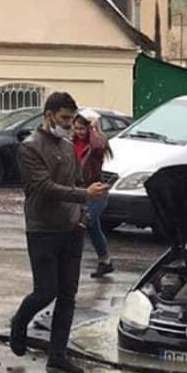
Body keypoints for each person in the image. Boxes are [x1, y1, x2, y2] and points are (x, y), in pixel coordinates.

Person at [9, 92, 108, 373]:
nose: (67, 125)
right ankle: (20, 322)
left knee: (68, 293)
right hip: (43, 228)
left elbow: (77, 180)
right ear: (49, 114)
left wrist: (83, 215)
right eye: (64, 118)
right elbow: (44, 187)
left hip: (71, 228)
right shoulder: (30, 148)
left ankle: (58, 353)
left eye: (71, 119)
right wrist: (83, 195)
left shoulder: (66, 146)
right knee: (45, 291)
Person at [72, 108, 114, 278]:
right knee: (93, 228)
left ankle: (70, 264)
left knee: (82, 224)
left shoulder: (95, 145)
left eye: (82, 129)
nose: (79, 132)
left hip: (97, 192)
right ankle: (105, 262)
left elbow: (98, 145)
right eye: (76, 128)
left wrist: (94, 129)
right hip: (81, 192)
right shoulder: (72, 142)